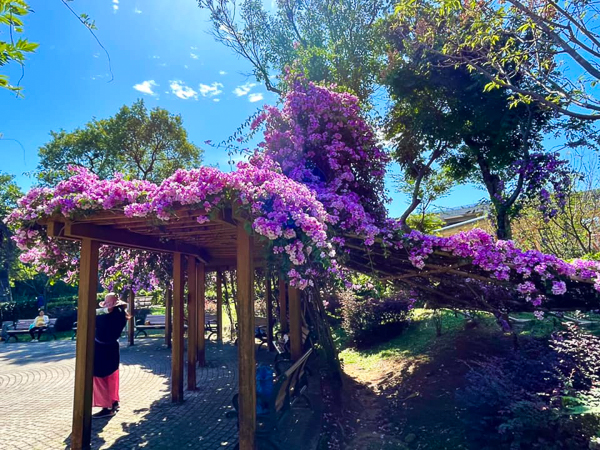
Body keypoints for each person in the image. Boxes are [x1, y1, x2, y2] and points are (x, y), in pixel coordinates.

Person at [92, 293, 129, 419]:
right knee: (112, 376)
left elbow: (90, 315)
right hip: (113, 347)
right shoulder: (121, 316)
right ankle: (114, 402)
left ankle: (106, 406)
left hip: (101, 349)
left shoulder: (103, 319)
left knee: (99, 376)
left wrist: (103, 310)